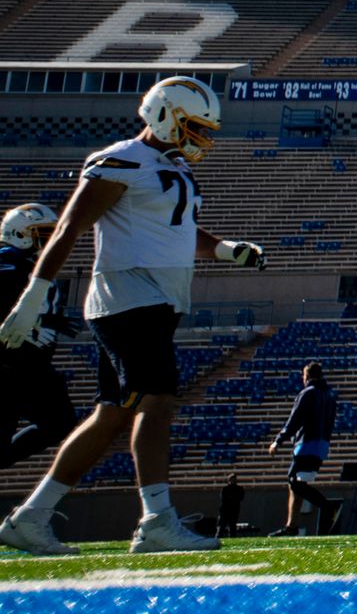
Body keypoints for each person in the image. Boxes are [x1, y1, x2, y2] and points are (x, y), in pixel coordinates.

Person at [0, 76, 264, 556]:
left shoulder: (171, 166)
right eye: (195, 127)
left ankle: (31, 517)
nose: (203, 139)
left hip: (154, 302)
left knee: (111, 415)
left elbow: (182, 230)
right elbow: (67, 228)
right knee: (158, 403)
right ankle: (156, 520)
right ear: (164, 114)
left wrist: (225, 250)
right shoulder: (120, 159)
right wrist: (33, 297)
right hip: (127, 298)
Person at [0, 204, 77, 470]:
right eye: (42, 232)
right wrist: (44, 320)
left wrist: (49, 320)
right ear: (19, 233)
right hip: (10, 362)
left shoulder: (32, 264)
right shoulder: (9, 260)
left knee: (61, 422)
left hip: (32, 364)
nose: (49, 239)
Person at [270, 362, 340, 535]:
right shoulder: (330, 394)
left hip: (307, 442)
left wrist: (278, 441)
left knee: (293, 480)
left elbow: (295, 420)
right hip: (322, 443)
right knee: (298, 484)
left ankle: (327, 506)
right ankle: (291, 526)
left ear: (306, 376)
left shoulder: (308, 393)